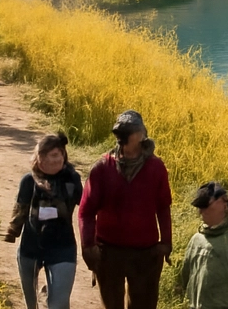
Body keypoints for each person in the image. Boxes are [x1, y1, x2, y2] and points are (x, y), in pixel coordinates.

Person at [79, 110, 173, 309]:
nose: (122, 138)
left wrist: (166, 242)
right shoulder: (102, 168)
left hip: (145, 253)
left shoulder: (156, 167)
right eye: (121, 133)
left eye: (131, 131)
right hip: (109, 252)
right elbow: (86, 211)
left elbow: (163, 207)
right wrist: (88, 246)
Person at [5, 132, 83, 309]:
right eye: (48, 155)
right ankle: (42, 297)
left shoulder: (71, 179)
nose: (54, 160)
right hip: (31, 247)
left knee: (59, 305)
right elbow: (20, 209)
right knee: (31, 304)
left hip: (63, 247)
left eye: (57, 155)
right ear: (38, 158)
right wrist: (12, 230)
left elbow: (87, 206)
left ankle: (48, 297)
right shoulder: (29, 181)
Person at [180, 181, 228, 309]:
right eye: (199, 207)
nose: (200, 212)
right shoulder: (196, 240)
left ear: (224, 205)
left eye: (205, 206)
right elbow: (184, 278)